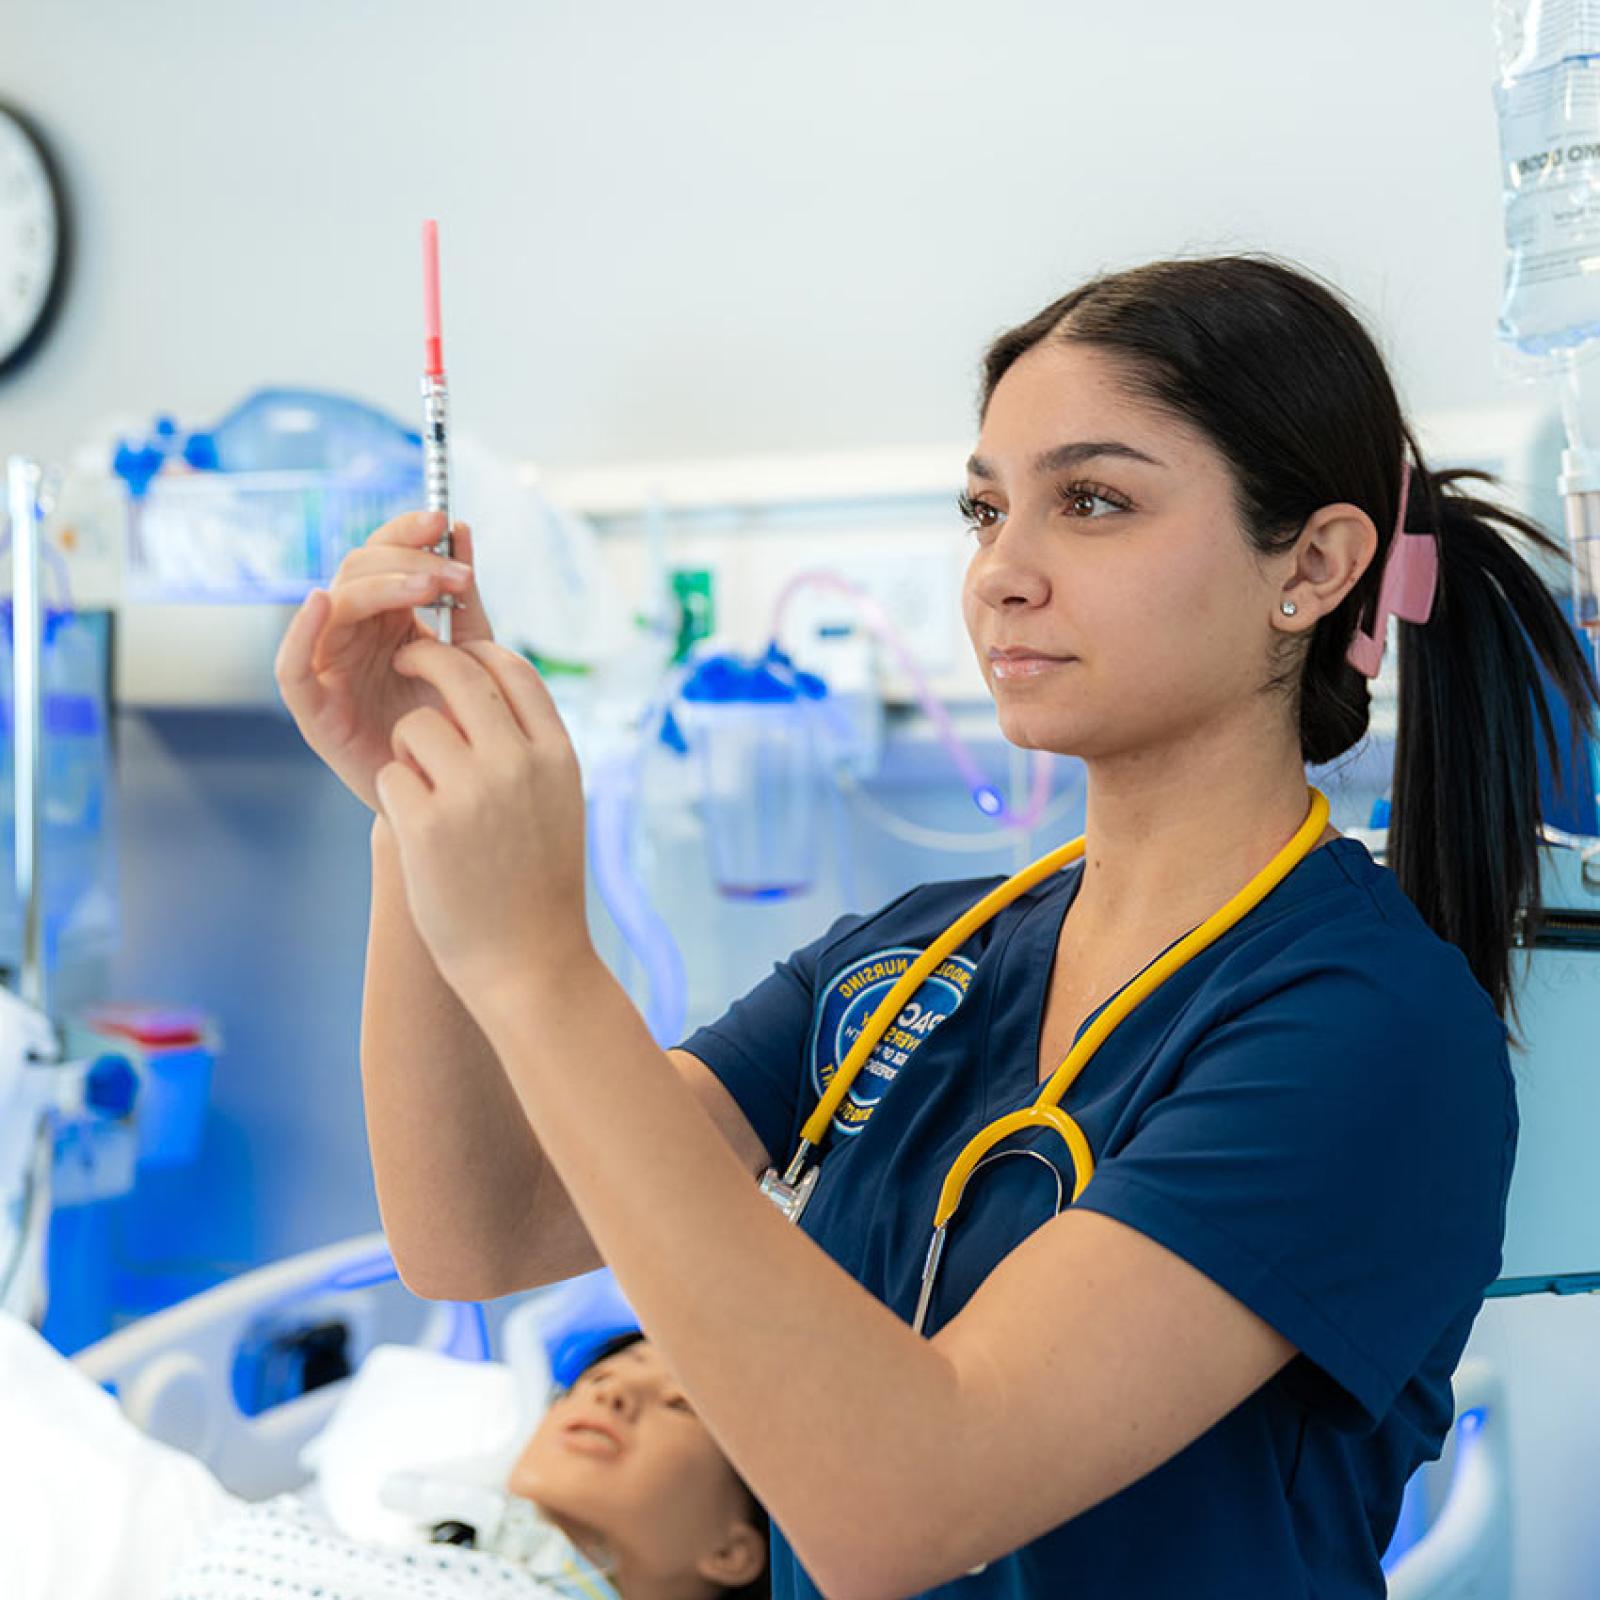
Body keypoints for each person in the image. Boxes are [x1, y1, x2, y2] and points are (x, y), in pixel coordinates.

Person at [276, 253, 1600, 1598]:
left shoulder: (1363, 1027)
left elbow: (901, 1504)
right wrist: (415, 801)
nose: (1001, 574)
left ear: (1313, 565)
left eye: (1091, 501)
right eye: (984, 509)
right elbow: (483, 1231)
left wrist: (536, 961)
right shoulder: (916, 962)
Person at [0, 1308, 768, 1600]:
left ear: (738, 1550)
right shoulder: (428, 1555)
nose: (608, 1395)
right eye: (599, 1377)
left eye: (680, 1404)